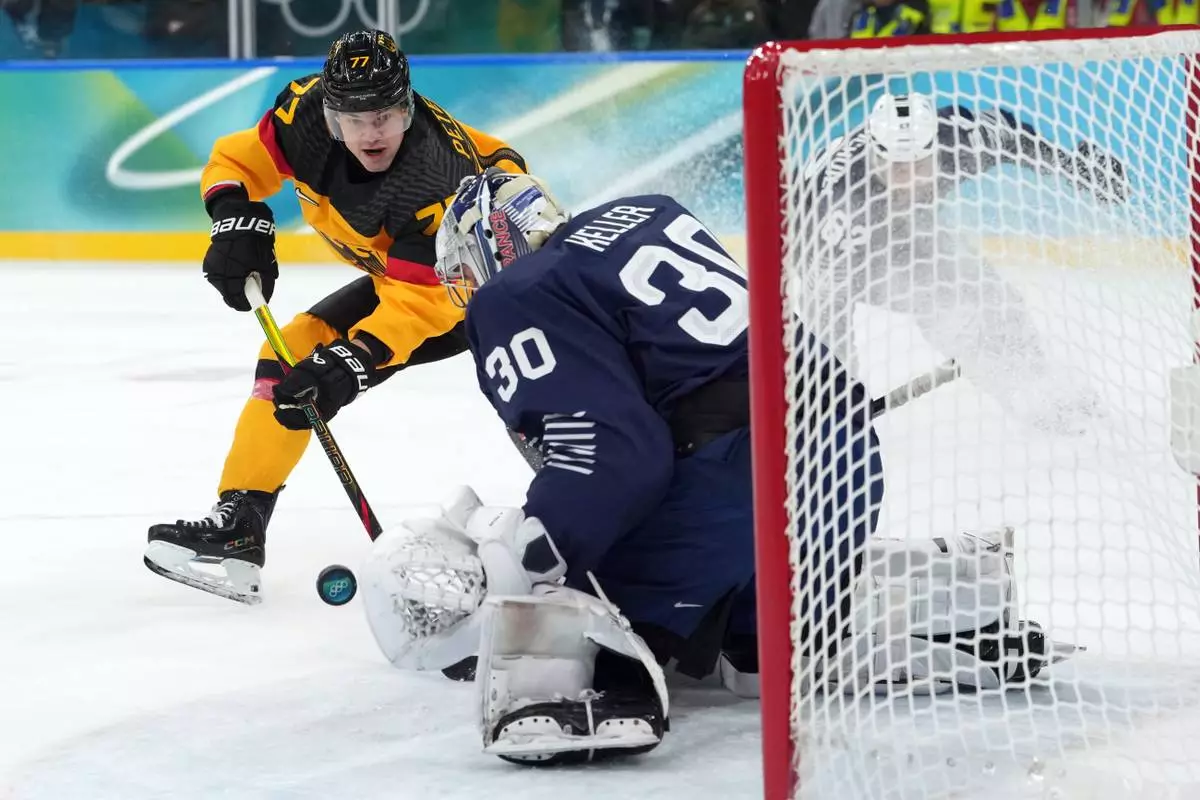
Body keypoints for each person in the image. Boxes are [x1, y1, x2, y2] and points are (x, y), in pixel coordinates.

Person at [353, 170, 1060, 767]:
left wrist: (539, 556)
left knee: (580, 619)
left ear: (492, 241)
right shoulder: (647, 215)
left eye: (465, 274)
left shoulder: (520, 290)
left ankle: (612, 687)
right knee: (749, 664)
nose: (470, 291)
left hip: (736, 482)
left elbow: (613, 456)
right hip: (847, 463)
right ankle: (923, 614)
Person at [143, 30, 527, 605]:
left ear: (409, 105)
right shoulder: (301, 118)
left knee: (538, 402)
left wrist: (356, 361)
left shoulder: (439, 181)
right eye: (356, 117)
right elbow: (236, 162)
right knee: (294, 349)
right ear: (329, 113)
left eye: (389, 114)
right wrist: (232, 215)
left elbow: (423, 304)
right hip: (407, 275)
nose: (373, 133)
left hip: (484, 282)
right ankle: (241, 521)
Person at [799, 92, 1127, 434]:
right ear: (876, 159)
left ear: (934, 150)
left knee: (996, 297)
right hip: (843, 254)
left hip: (911, 226)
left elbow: (1013, 136)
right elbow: (826, 310)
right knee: (951, 315)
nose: (911, 179)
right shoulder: (841, 210)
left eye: (919, 167)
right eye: (898, 169)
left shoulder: (957, 139)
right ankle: (1022, 397)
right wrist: (838, 389)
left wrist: (1074, 168)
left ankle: (1041, 381)